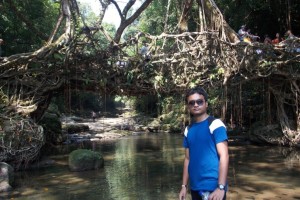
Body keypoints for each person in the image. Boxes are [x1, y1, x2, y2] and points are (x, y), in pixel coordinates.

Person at [179, 86, 229, 200]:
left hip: (213, 187)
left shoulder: (215, 125)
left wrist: (221, 187)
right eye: (192, 103)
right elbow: (187, 159)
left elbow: (224, 156)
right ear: (188, 106)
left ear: (206, 104)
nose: (195, 105)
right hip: (195, 187)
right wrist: (184, 186)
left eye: (199, 102)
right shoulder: (188, 130)